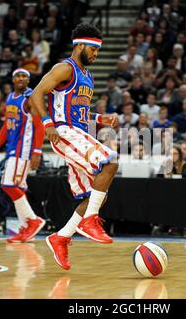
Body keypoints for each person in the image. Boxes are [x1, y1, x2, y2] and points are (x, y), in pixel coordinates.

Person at [29, 23, 119, 271]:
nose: (95, 55)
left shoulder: (87, 77)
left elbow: (79, 112)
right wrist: (47, 123)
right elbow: (35, 93)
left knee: (95, 195)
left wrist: (101, 119)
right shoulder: (63, 68)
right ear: (80, 45)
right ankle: (89, 221)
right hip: (64, 132)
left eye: (98, 51)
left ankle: (61, 237)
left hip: (78, 130)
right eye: (93, 49)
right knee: (110, 162)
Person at [0, 69, 46, 243]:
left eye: (24, 76)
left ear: (28, 80)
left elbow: (39, 126)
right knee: (17, 187)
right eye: (17, 76)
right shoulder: (11, 97)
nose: (21, 78)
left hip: (24, 149)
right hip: (12, 148)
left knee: (7, 184)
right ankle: (26, 226)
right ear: (12, 80)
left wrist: (37, 151)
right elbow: (7, 124)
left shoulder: (31, 98)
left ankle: (33, 220)